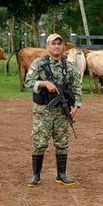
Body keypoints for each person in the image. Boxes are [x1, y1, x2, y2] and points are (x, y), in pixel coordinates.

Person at [24, 33, 83, 186]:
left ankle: (61, 174)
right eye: (53, 43)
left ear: (63, 47)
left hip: (62, 112)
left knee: (62, 142)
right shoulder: (38, 64)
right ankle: (36, 175)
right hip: (43, 111)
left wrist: (76, 105)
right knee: (39, 142)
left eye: (59, 44)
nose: (57, 46)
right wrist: (43, 83)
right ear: (47, 46)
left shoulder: (68, 66)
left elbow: (76, 86)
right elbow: (28, 83)